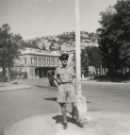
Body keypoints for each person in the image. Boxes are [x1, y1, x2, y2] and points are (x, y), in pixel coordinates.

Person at [54, 53, 77, 129]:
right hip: (62, 86)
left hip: (70, 86)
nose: (64, 61)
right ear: (61, 61)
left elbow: (74, 77)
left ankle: (74, 116)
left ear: (67, 60)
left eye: (65, 60)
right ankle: (65, 121)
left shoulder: (71, 67)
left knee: (74, 102)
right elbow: (55, 78)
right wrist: (58, 85)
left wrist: (73, 84)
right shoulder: (58, 69)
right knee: (63, 104)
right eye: (63, 60)